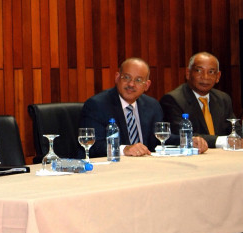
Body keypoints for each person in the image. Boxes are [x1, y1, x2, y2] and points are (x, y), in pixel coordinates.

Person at [79, 57, 207, 158]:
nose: (131, 84)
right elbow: (93, 146)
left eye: (138, 80)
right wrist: (125, 149)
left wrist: (188, 141)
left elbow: (159, 140)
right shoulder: (97, 105)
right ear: (117, 78)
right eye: (126, 77)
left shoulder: (152, 105)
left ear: (147, 85)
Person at [160, 52, 235, 148]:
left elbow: (235, 130)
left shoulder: (223, 98)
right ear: (188, 73)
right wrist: (222, 141)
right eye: (199, 71)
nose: (205, 77)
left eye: (211, 72)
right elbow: (181, 135)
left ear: (218, 76)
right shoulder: (173, 100)